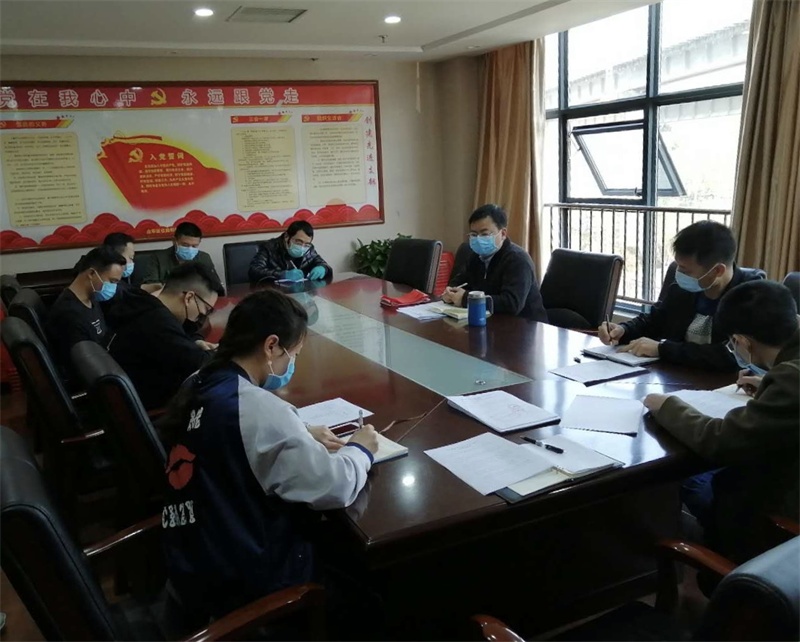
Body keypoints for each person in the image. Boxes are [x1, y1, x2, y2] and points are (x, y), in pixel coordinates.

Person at [157, 289, 379, 628]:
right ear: (271, 345)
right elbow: (335, 486)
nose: (292, 364)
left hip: (194, 558)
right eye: (294, 354)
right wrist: (361, 449)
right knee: (369, 593)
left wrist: (300, 430)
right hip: (245, 580)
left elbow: (234, 435)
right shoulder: (258, 409)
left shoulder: (198, 380)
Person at [644, 280, 799, 562]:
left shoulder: (792, 381)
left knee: (690, 479)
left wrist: (667, 406)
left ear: (742, 341)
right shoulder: (789, 373)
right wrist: (768, 385)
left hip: (777, 513)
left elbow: (720, 441)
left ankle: (708, 563)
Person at [599, 221, 764, 371]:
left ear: (717, 270)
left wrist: (663, 349)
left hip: (724, 384)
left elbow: (734, 355)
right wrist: (623, 330)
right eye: (678, 266)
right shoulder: (683, 288)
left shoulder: (752, 297)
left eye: (686, 270)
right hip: (675, 374)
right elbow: (655, 320)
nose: (679, 274)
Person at [108, 262, 222, 411]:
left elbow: (180, 338)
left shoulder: (144, 303)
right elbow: (199, 363)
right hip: (155, 409)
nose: (203, 316)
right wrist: (229, 349)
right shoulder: (157, 322)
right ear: (189, 297)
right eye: (206, 309)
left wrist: (196, 341)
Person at [442, 204, 547, 321]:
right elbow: (461, 281)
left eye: (484, 234)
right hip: (489, 320)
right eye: (474, 234)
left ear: (503, 234)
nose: (478, 239)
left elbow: (512, 304)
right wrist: (450, 291)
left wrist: (466, 299)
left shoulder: (518, 259)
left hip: (525, 325)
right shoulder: (475, 256)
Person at [45, 246, 126, 377]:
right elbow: (83, 367)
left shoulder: (91, 298)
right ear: (92, 273)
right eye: (112, 281)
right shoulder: (69, 314)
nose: (114, 288)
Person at [140, 222, 223, 292]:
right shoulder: (158, 258)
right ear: (174, 241)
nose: (190, 249)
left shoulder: (204, 258)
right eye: (185, 245)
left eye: (194, 246)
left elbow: (216, 285)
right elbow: (149, 287)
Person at [248, 221, 332, 283]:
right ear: (287, 237)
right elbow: (254, 271)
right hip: (275, 294)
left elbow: (323, 264)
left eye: (306, 244)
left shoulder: (309, 249)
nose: (302, 247)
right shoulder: (269, 247)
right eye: (298, 242)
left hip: (301, 292)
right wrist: (282, 275)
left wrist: (323, 268)